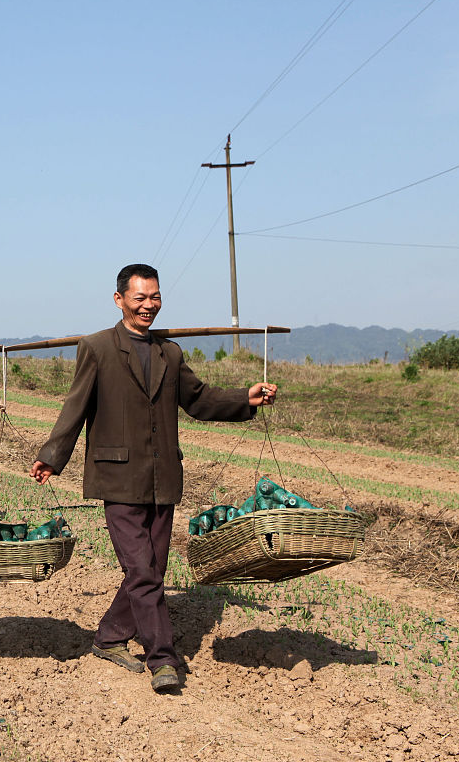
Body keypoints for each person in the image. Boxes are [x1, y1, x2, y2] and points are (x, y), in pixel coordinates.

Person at [29, 263, 277, 693]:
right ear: (119, 299)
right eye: (140, 298)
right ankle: (162, 658)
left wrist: (245, 398)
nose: (149, 306)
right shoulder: (98, 347)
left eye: (155, 297)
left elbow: (198, 400)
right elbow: (75, 407)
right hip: (117, 475)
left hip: (162, 475)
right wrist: (54, 455)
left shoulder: (170, 353)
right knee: (142, 571)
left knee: (151, 569)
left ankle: (109, 636)